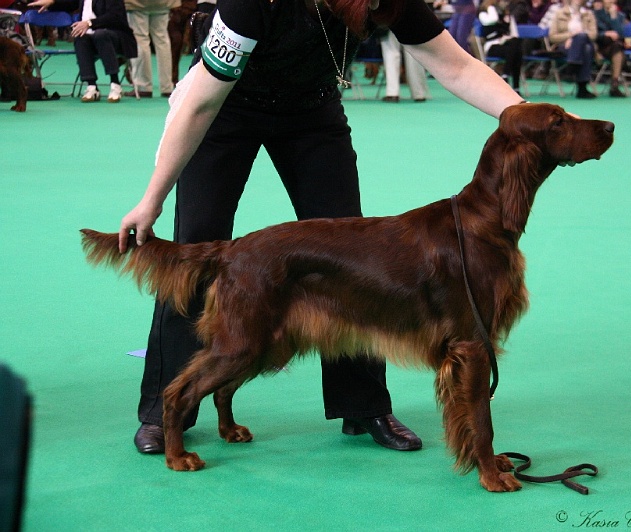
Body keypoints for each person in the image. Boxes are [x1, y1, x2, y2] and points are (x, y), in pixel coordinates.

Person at [116, 0, 526, 456]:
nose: (377, 15)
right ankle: (163, 411)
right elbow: (199, 104)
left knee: (358, 256)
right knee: (196, 237)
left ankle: (363, 405)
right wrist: (151, 198)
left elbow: (457, 67)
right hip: (224, 109)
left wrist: (526, 114)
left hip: (312, 112)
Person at [28, 0, 137, 102]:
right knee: (80, 37)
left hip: (116, 37)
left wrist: (89, 23)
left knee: (101, 35)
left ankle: (115, 84)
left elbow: (114, 17)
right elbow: (71, 2)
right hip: (92, 39)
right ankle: (91, 86)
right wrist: (52, 2)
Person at [123, 0, 179, 97]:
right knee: (162, 40)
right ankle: (167, 87)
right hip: (162, 3)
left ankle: (143, 86)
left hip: (137, 4)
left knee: (140, 40)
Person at [549, 0, 600, 97]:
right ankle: (582, 88)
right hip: (563, 46)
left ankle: (572, 66)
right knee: (587, 48)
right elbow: (552, 36)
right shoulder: (559, 13)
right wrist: (570, 36)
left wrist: (577, 38)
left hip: (583, 45)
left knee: (583, 42)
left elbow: (593, 35)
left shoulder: (588, 14)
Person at [478, 0, 524, 94]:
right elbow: (493, 21)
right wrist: (492, 8)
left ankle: (506, 75)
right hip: (492, 46)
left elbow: (514, 34)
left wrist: (507, 36)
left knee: (516, 47)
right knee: (514, 49)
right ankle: (515, 85)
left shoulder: (507, 16)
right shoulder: (484, 13)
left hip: (507, 45)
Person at [379, 28, 430, 101]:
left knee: (391, 53)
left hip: (389, 21)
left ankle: (392, 93)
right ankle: (418, 93)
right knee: (413, 53)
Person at [593, 0, 629, 96]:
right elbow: (593, 32)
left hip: (613, 46)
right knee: (618, 50)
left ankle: (614, 83)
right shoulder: (595, 14)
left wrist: (613, 17)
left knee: (617, 48)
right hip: (598, 45)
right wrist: (605, 33)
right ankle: (615, 84)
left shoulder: (620, 16)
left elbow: (620, 33)